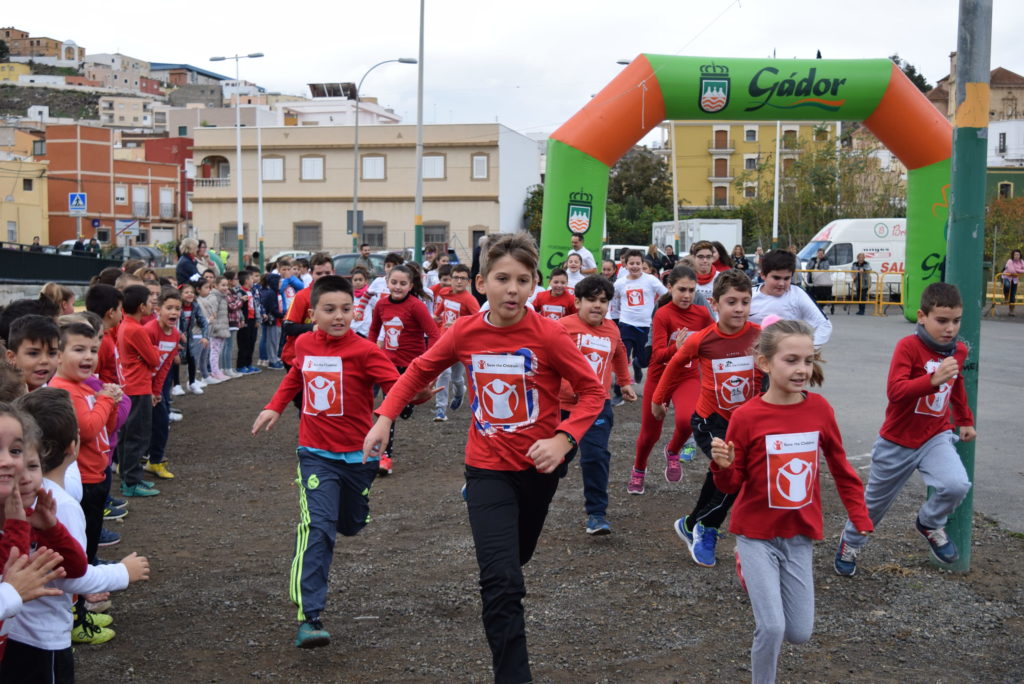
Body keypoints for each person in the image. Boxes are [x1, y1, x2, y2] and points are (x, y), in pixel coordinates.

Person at [363, 233, 605, 684]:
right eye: (502, 279)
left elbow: (593, 391)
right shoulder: (465, 331)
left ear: (534, 285)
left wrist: (564, 439)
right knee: (502, 583)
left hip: (539, 469)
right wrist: (383, 417)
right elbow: (418, 369)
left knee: (518, 557)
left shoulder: (550, 335)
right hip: (487, 467)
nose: (512, 288)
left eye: (522, 280)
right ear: (481, 283)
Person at [252, 276, 435, 649]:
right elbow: (295, 375)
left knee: (349, 523)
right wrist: (275, 405)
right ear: (313, 312)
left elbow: (395, 386)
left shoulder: (365, 350)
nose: (339, 317)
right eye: (329, 310)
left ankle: (354, 512)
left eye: (346, 309)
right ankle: (310, 616)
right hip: (315, 456)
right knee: (317, 529)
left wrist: (417, 397)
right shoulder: (304, 343)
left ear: (355, 311)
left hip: (359, 457)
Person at [709, 319, 872, 684]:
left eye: (808, 360)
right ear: (765, 363)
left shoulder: (820, 410)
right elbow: (732, 482)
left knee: (799, 632)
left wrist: (859, 515)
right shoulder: (746, 416)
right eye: (791, 360)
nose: (802, 369)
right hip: (755, 534)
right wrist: (722, 465)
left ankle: (751, 575)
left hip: (799, 535)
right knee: (771, 627)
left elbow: (841, 467)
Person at [834, 282, 976, 577]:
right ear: (922, 316)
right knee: (873, 506)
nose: (950, 328)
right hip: (897, 441)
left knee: (957, 484)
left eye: (956, 321)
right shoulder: (908, 347)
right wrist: (933, 379)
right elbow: (896, 391)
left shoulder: (958, 350)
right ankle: (851, 541)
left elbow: (957, 383)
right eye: (942, 320)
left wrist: (964, 419)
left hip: (935, 436)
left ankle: (929, 522)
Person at [4, 389, 150, 674]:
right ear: (75, 446)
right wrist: (122, 572)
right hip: (43, 636)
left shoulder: (24, 497)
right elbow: (73, 577)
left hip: (15, 630)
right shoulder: (59, 504)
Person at [650, 269, 762, 567]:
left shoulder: (759, 336)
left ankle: (691, 524)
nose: (739, 308)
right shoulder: (703, 339)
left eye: (745, 301)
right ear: (715, 304)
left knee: (722, 477)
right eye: (731, 302)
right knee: (734, 475)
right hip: (710, 421)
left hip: (746, 423)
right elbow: (674, 366)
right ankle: (707, 528)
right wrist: (658, 399)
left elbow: (769, 371)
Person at [558, 275, 636, 534]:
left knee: (595, 457)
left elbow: (620, 352)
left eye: (603, 301)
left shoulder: (611, 329)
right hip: (562, 406)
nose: (597, 306)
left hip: (596, 406)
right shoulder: (561, 327)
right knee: (556, 459)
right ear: (577, 302)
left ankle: (596, 514)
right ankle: (506, 484)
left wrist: (624, 382)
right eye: (591, 300)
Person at [630, 265, 713, 494]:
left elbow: (713, 342)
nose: (687, 295)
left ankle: (673, 450)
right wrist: (675, 347)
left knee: (688, 421)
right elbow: (656, 355)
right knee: (649, 433)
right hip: (660, 377)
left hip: (687, 376)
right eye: (682, 289)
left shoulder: (703, 314)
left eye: (692, 290)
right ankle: (639, 468)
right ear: (670, 288)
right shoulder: (663, 314)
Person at [46, 322, 121, 564]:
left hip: (96, 473)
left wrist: (111, 404)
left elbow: (105, 429)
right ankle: (85, 585)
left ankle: (92, 565)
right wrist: (106, 401)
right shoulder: (63, 390)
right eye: (79, 350)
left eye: (93, 350)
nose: (88, 356)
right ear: (58, 356)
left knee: (92, 531)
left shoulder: (84, 387)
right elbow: (87, 430)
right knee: (82, 536)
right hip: (84, 479)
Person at [367, 265, 441, 475]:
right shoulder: (381, 305)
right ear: (387, 281)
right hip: (387, 365)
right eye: (394, 282)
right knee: (387, 412)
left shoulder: (416, 306)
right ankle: (384, 458)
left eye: (403, 283)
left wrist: (429, 362)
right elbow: (373, 330)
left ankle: (408, 403)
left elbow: (434, 334)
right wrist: (371, 352)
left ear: (410, 285)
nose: (397, 287)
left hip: (411, 366)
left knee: (404, 408)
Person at [115, 285, 161, 497]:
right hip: (139, 387)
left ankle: (128, 477)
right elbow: (153, 360)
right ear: (141, 306)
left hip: (129, 385)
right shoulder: (136, 329)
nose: (153, 303)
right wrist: (152, 352)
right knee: (137, 436)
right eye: (150, 300)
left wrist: (149, 354)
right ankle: (132, 481)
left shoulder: (126, 325)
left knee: (128, 436)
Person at [749, 250, 832, 348]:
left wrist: (807, 349)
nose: (781, 283)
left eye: (787, 278)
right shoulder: (749, 295)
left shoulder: (797, 294)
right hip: (753, 358)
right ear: (763, 275)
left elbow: (824, 325)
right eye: (776, 278)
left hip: (786, 359)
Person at [612, 249, 668, 390]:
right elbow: (610, 299)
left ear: (642, 264)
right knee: (622, 359)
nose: (635, 266)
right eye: (632, 263)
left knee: (644, 360)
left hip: (646, 326)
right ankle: (620, 391)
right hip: (626, 325)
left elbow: (666, 295)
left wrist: (661, 312)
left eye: (638, 263)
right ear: (625, 265)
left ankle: (637, 366)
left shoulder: (650, 280)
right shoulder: (620, 283)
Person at [431, 264, 480, 421]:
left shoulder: (470, 300)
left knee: (457, 378)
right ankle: (440, 409)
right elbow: (440, 309)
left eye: (462, 278)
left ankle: (460, 392)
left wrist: (458, 324)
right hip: (444, 339)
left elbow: (478, 322)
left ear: (468, 282)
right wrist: (435, 316)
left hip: (460, 343)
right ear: (450, 280)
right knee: (444, 373)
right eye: (456, 278)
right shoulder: (445, 293)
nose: (459, 281)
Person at [143, 290, 182, 481]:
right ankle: (124, 463)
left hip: (157, 385)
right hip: (140, 385)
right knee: (137, 426)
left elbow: (166, 365)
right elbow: (140, 363)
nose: (174, 312)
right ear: (158, 309)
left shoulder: (175, 335)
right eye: (169, 308)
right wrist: (147, 389)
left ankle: (155, 461)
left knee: (161, 422)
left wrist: (156, 391)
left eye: (178, 308)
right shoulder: (149, 331)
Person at [5, 316, 60, 392]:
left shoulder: (58, 394)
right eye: (33, 353)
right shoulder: (5, 400)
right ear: (11, 357)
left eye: (52, 353)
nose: (44, 361)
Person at [177, 283, 210, 393]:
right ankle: (176, 385)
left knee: (192, 359)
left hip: (189, 336)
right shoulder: (177, 307)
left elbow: (203, 322)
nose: (190, 294)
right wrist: (178, 334)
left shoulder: (195, 306)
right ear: (180, 295)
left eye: (191, 292)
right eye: (186, 292)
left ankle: (192, 383)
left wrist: (205, 336)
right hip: (176, 336)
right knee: (175, 360)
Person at [805, 248, 833, 313]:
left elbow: (826, 268)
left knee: (821, 294)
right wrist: (812, 268)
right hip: (811, 278)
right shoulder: (812, 259)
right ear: (817, 253)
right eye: (819, 253)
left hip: (821, 280)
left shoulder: (825, 260)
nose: (820, 255)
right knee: (811, 293)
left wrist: (818, 269)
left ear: (823, 254)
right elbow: (807, 267)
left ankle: (821, 307)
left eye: (821, 253)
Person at [1002, 248, 1023, 316]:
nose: (1016, 256)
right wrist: (1019, 270)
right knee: (1007, 286)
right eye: (1015, 255)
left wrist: (1017, 270)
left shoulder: (1022, 262)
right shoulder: (1010, 261)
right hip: (1007, 277)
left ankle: (1011, 311)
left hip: (1014, 280)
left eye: (1018, 255)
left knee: (1013, 295)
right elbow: (1011, 271)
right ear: (1013, 255)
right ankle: (1006, 297)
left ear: (1020, 255)